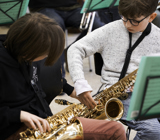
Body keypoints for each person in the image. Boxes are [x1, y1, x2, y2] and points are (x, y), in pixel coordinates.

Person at [0, 12, 126, 140]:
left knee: (116, 129)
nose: (47, 56)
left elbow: (42, 78)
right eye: (46, 53)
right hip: (15, 131)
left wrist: (71, 90)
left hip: (43, 122)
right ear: (29, 49)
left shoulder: (24, 55)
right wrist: (19, 115)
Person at [67, 0, 160, 140]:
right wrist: (80, 83)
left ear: (151, 17)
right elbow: (75, 49)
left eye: (134, 21)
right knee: (153, 132)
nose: (127, 24)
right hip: (116, 96)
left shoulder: (158, 36)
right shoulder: (111, 29)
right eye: (124, 17)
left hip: (148, 95)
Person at [0, 0, 105, 77]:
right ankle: (58, 79)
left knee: (99, 27)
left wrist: (89, 6)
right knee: (54, 29)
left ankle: (71, 50)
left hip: (72, 9)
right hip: (45, 9)